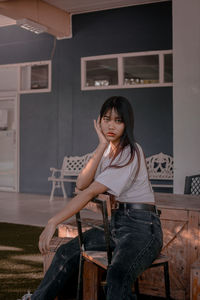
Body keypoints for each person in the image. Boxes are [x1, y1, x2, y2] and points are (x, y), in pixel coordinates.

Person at [27, 96, 163, 300]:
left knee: (117, 275)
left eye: (118, 120)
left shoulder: (130, 152)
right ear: (99, 121)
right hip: (117, 224)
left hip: (143, 228)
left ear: (127, 124)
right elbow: (81, 184)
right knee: (67, 252)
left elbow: (89, 191)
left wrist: (53, 221)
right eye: (107, 119)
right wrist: (100, 146)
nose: (111, 125)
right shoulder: (107, 150)